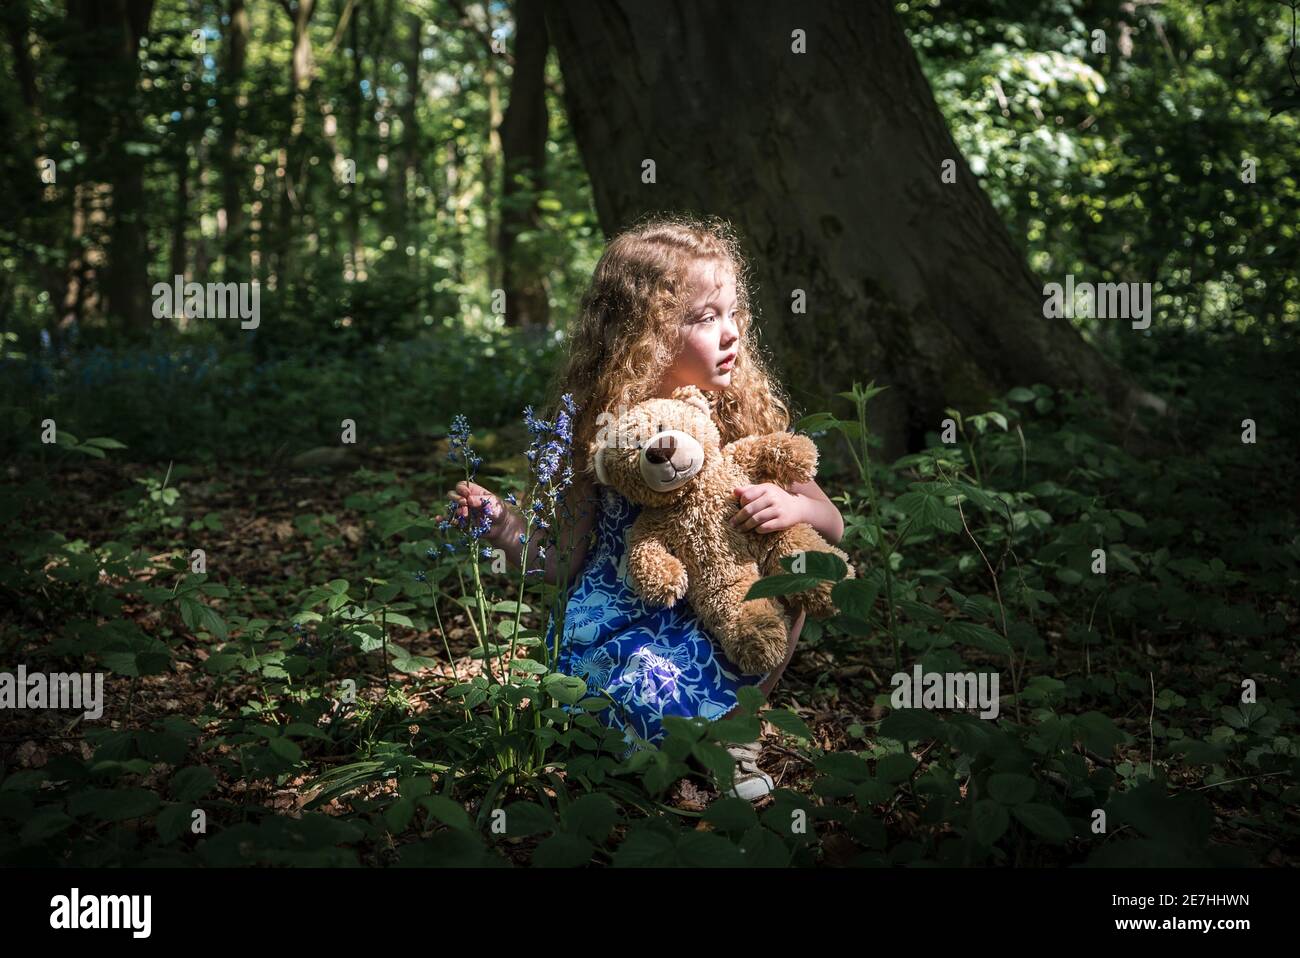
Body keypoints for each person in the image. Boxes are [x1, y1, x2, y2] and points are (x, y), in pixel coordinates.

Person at [445, 215, 845, 800]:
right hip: (624, 627)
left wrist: (793, 508)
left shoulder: (741, 417)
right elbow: (557, 562)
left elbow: (833, 522)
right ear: (642, 334)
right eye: (705, 318)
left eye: (734, 312)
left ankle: (735, 729)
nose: (731, 332)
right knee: (630, 694)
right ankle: (676, 751)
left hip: (719, 618)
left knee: (795, 574)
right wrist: (501, 524)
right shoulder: (601, 438)